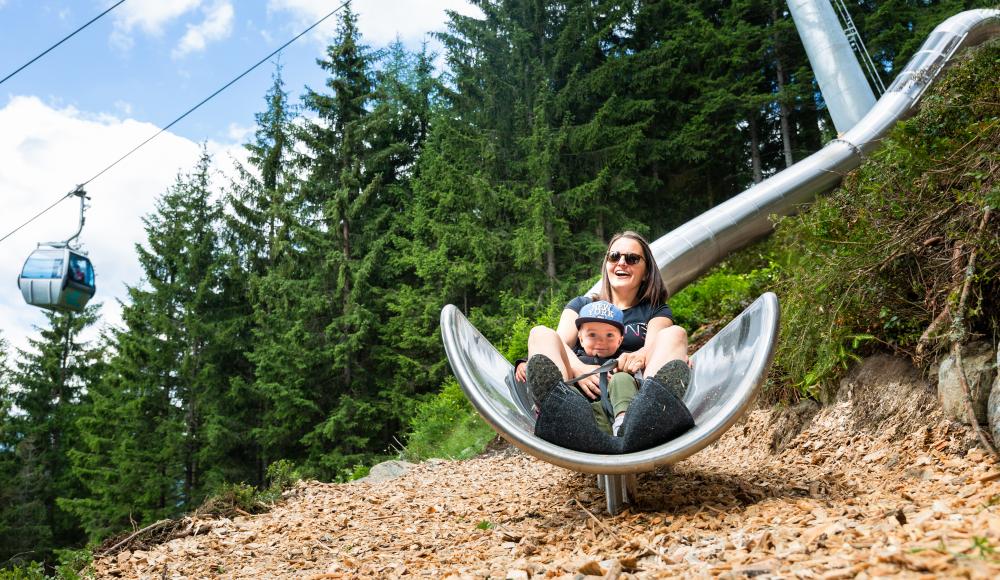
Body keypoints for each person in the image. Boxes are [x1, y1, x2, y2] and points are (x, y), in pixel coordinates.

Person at [515, 231, 694, 454]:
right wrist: (582, 368)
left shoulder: (655, 309)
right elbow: (560, 342)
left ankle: (651, 411)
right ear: (606, 263)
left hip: (633, 389)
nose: (622, 263)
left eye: (632, 258)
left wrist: (637, 356)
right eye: (614, 256)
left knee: (675, 334)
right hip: (582, 392)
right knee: (540, 333)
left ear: (646, 271)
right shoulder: (581, 305)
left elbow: (655, 343)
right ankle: (559, 408)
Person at [570, 300, 638, 436]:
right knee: (568, 390)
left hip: (616, 411)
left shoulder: (623, 358)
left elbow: (645, 363)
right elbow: (550, 356)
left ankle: (624, 425)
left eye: (609, 335)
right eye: (592, 334)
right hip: (588, 419)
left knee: (622, 378)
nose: (601, 341)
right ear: (581, 339)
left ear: (620, 340)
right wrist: (524, 362)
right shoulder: (575, 359)